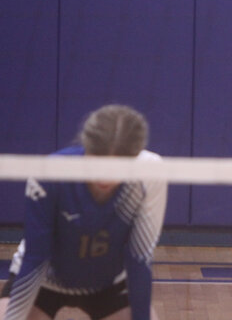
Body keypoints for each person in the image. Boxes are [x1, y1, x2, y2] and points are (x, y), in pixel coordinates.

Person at [0, 104, 167, 320]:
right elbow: (36, 257)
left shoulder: (148, 174)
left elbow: (139, 257)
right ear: (86, 148)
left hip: (110, 282)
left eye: (117, 168)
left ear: (134, 158)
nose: (105, 177)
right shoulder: (50, 174)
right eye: (97, 163)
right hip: (44, 279)